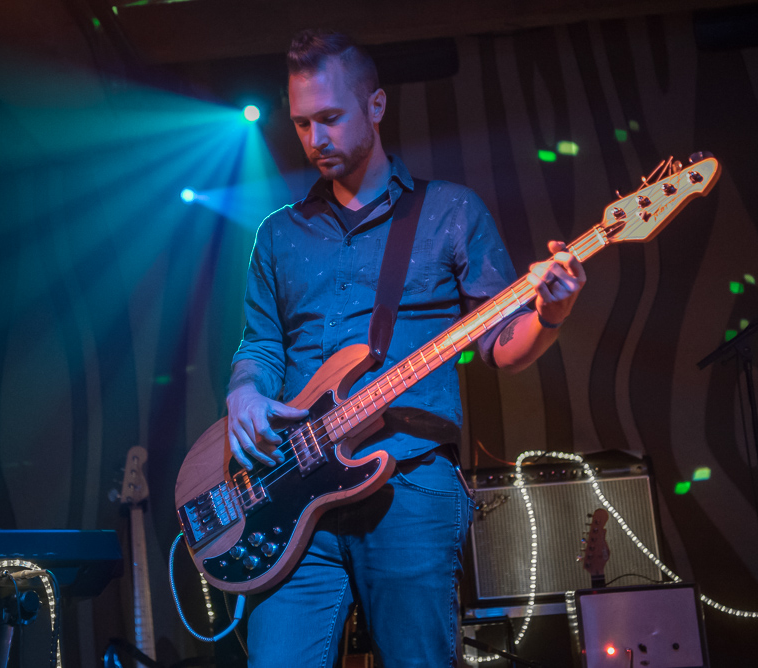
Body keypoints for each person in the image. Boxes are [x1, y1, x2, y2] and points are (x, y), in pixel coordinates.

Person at [225, 29, 586, 667]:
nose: (315, 139)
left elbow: (503, 348)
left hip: (409, 481)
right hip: (294, 492)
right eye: (303, 123)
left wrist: (551, 314)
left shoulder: (451, 211)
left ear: (377, 106)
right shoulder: (277, 235)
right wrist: (245, 393)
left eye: (330, 118)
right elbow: (261, 343)